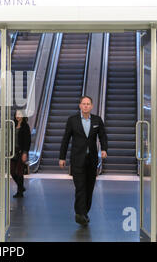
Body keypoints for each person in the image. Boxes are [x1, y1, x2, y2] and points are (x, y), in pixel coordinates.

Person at [59, 96, 108, 227]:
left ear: (92, 106)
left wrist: (104, 149)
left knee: (89, 187)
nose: (86, 106)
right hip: (77, 160)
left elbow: (103, 136)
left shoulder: (97, 120)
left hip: (91, 160)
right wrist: (62, 157)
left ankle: (84, 212)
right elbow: (66, 139)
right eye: (83, 104)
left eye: (88, 104)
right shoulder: (72, 120)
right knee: (80, 187)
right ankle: (79, 213)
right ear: (80, 106)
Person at [11, 110, 31, 198]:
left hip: (21, 151)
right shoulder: (12, 125)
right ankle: (21, 187)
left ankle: (20, 192)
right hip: (13, 151)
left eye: (19, 114)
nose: (18, 116)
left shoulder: (25, 127)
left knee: (19, 171)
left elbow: (28, 141)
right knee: (12, 171)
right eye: (16, 114)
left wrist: (25, 153)